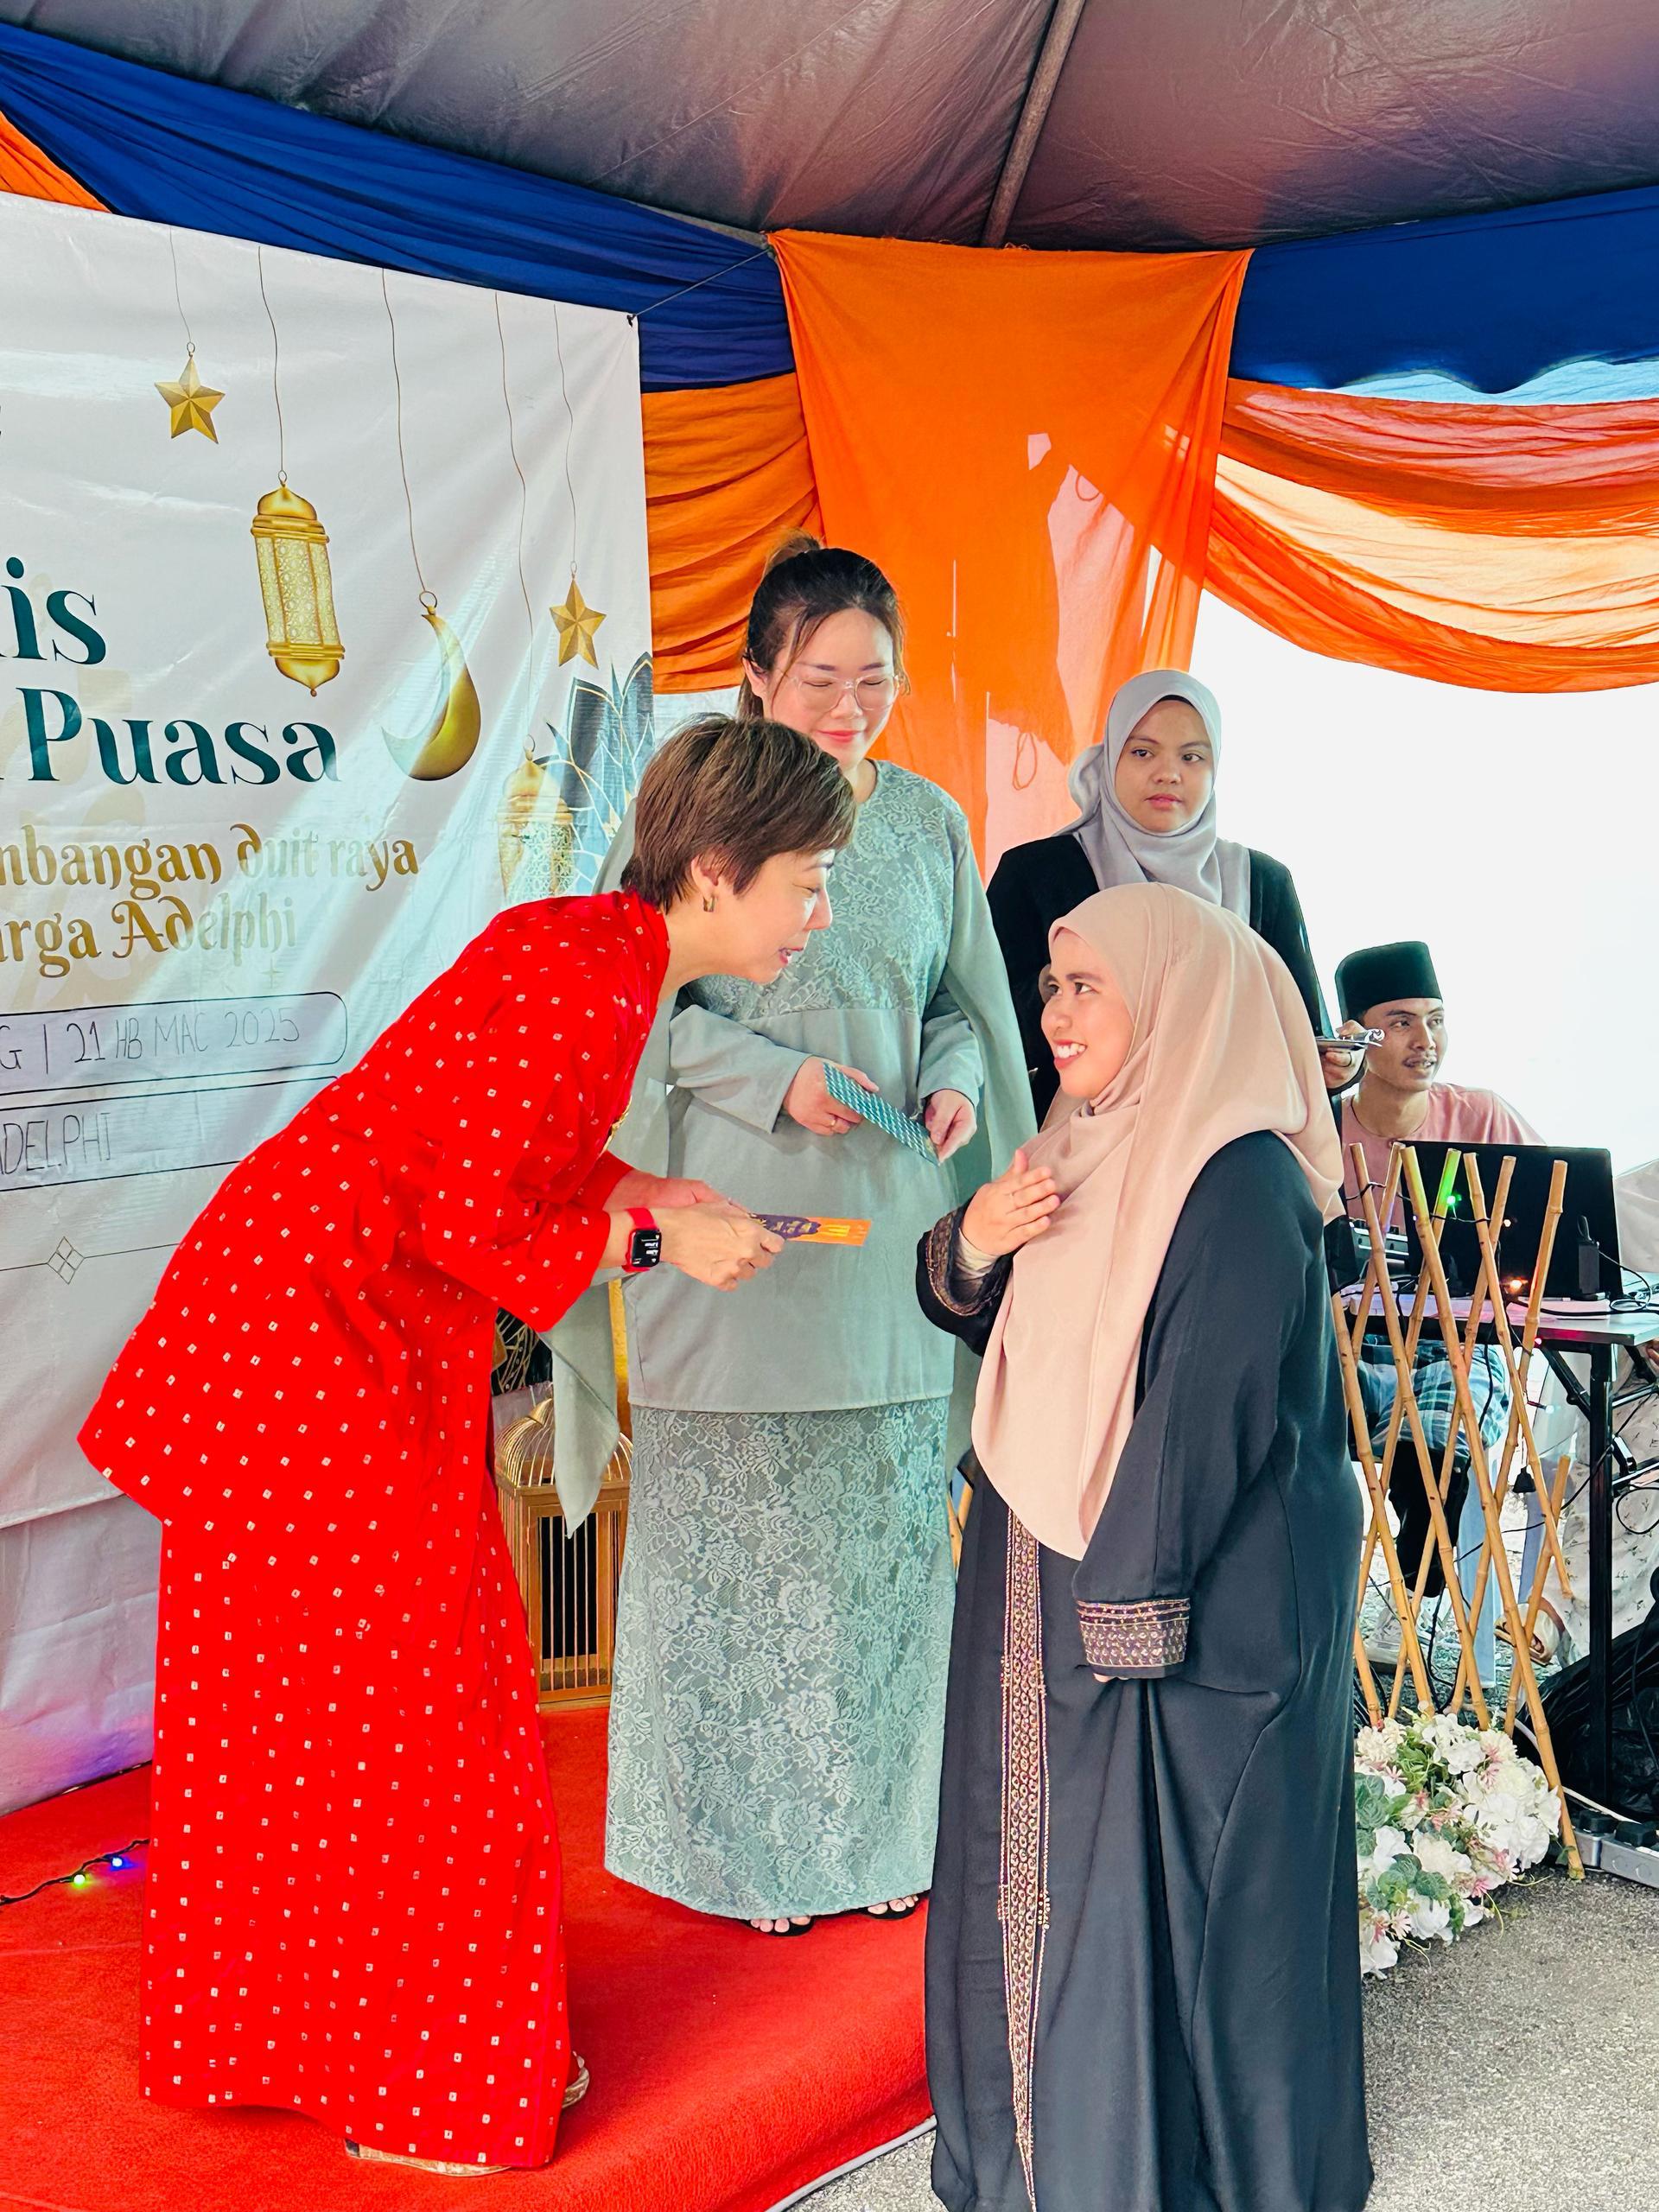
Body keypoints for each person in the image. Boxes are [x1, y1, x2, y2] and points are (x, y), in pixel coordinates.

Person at [75, 715, 855, 2177]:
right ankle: (420, 2086)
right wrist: (657, 1236)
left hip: (317, 1316)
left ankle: (356, 2050)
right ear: (715, 868)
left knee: (321, 1703)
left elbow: (488, 1147)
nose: (818, 914)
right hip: (313, 1336)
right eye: (807, 881)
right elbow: (466, 1209)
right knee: (423, 1706)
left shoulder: (593, 950)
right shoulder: (588, 986)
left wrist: (644, 1191)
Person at [598, 538, 1034, 1935]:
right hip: (732, 1242)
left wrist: (958, 1076)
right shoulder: (690, 810)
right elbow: (628, 1008)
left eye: (875, 680)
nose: (851, 708)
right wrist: (767, 1078)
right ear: (754, 673)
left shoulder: (927, 823)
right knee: (734, 1567)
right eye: (821, 679)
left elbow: (957, 999)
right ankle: (736, 1861)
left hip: (891, 1239)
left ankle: (880, 1846)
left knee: (884, 1562)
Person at [917, 882, 1370, 2212]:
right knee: (1048, 1868)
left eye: (1088, 987)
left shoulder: (1234, 1179)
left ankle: (1130, 2164)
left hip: (1168, 1595)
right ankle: (1030, 2151)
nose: (1057, 1014)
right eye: (1051, 988)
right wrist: (973, 1242)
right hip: (1050, 1561)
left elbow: (1200, 1416)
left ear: (1179, 999)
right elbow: (1016, 1329)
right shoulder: (1082, 1138)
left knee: (1152, 1893)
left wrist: (1121, 1611)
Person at [1325, 939, 1541, 1675]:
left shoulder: (1481, 1118)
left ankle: (1409, 1592)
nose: (1426, 1040)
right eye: (1401, 1022)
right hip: (1348, 1342)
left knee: (1446, 1429)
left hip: (1458, 1340)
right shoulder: (1320, 1129)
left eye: (1436, 1020)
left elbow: (1565, 1220)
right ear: (1356, 1034)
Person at [987, 670, 1331, 1118]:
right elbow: (990, 1032)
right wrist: (1065, 986)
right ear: (1110, 759)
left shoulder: (1261, 881)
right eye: (1143, 752)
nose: (1168, 774)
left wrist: (1341, 1065)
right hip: (1076, 1140)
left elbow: (1308, 1032)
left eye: (1192, 757)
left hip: (1226, 1136)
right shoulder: (1037, 872)